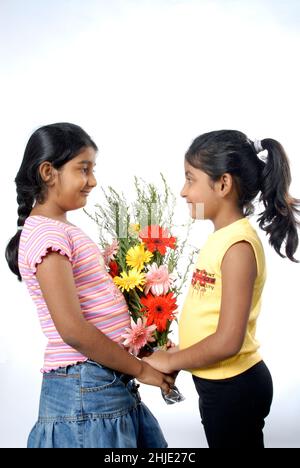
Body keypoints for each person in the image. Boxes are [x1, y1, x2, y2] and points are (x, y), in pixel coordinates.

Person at [5, 122, 174, 449]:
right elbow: (73, 330)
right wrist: (140, 369)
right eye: (83, 169)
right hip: (85, 391)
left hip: (102, 384)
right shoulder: (47, 234)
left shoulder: (59, 229)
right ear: (48, 172)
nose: (92, 181)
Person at [144, 130, 300, 448]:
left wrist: (172, 361)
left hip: (235, 388)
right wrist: (179, 353)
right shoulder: (221, 238)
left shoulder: (239, 246)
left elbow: (229, 340)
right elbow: (211, 318)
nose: (183, 191)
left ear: (223, 184)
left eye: (190, 179)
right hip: (219, 386)